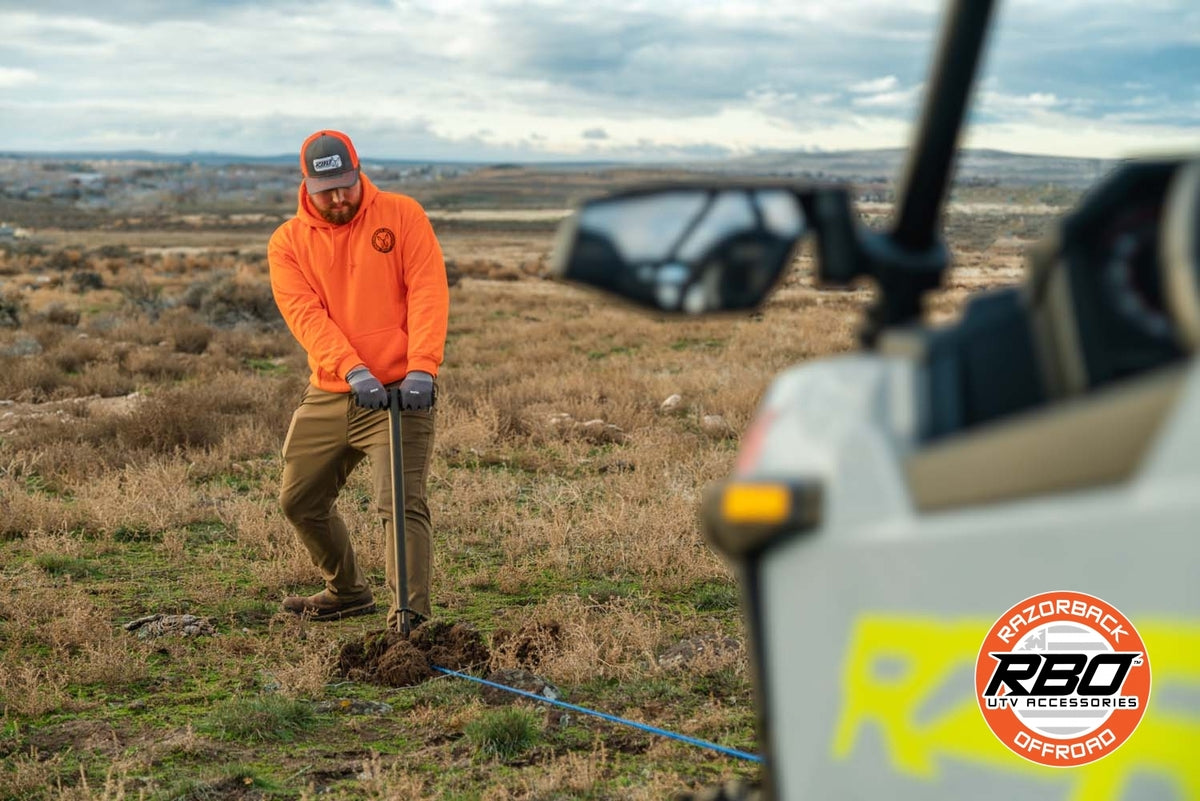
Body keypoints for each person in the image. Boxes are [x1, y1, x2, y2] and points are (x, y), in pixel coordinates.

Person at [268, 129, 449, 629]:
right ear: (306, 185)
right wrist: (352, 369)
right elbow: (306, 316)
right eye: (327, 190)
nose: (340, 197)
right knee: (299, 500)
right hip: (331, 391)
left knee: (400, 505)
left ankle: (410, 619)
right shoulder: (288, 242)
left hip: (401, 394)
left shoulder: (402, 214)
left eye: (346, 185)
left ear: (357, 170)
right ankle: (347, 593)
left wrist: (421, 368)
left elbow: (428, 291)